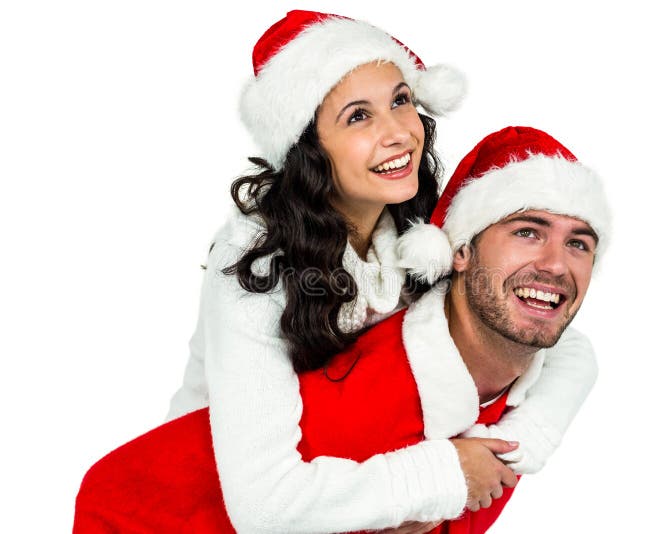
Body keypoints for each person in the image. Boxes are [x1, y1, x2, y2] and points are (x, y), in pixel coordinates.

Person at [160, 9, 599, 533]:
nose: (398, 134)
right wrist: (445, 476)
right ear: (309, 149)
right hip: (200, 500)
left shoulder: (417, 228)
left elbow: (562, 343)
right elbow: (263, 504)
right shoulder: (257, 265)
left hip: (344, 482)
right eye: (358, 117)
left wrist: (526, 437)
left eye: (400, 100)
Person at [73, 126, 611, 534]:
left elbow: (575, 352)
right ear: (461, 252)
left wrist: (535, 431)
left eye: (579, 243)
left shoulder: (517, 381)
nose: (556, 264)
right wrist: (438, 479)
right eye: (527, 231)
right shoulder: (361, 398)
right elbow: (145, 492)